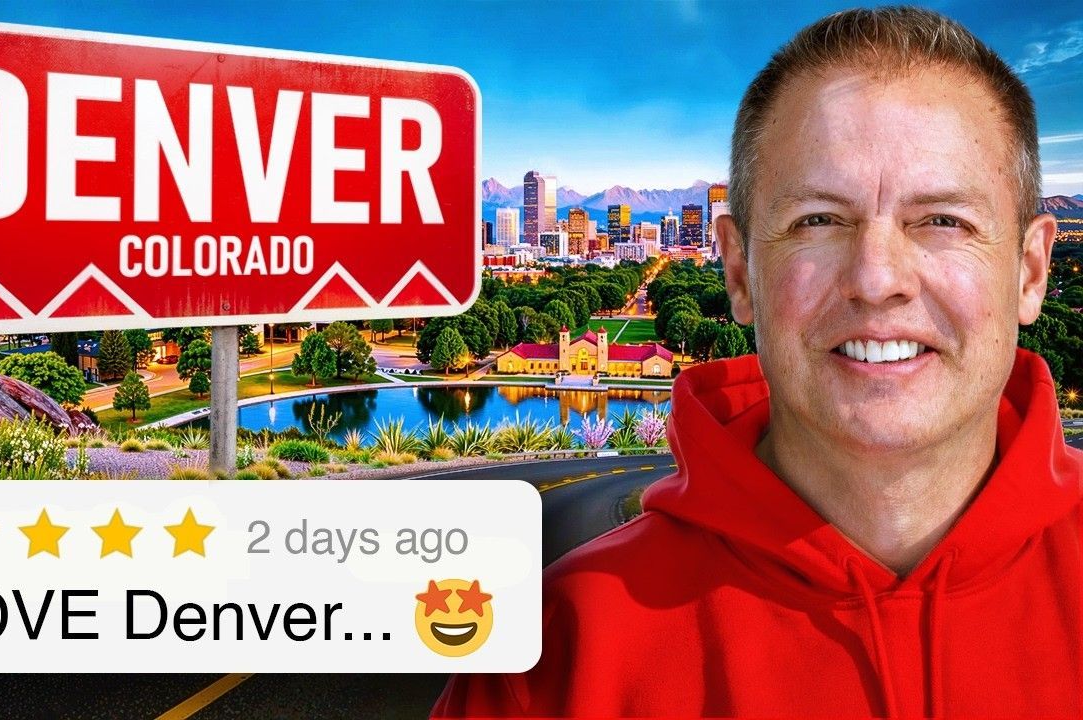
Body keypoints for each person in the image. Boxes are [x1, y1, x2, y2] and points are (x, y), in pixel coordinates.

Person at [434, 6, 1082, 717]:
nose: (877, 279)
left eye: (943, 221)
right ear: (739, 272)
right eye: (818, 221)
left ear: (1030, 271)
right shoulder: (554, 658)